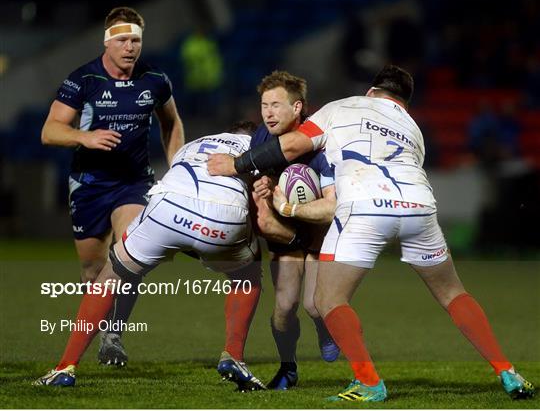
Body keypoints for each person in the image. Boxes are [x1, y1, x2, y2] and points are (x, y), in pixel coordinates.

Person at [207, 65, 536, 401]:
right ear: (404, 102)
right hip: (419, 206)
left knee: (327, 299)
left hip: (364, 205)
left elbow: (290, 146)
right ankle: (508, 372)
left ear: (371, 91)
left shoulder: (341, 107)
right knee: (453, 293)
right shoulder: (412, 127)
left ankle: (369, 382)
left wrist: (235, 165)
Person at [34, 122, 266, 392]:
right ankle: (233, 356)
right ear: (254, 135)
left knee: (110, 276)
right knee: (247, 275)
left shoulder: (196, 142)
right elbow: (258, 211)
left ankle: (66, 367)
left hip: (169, 207)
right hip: (221, 220)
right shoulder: (259, 150)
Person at [40, 6, 184, 366]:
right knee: (92, 269)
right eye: (122, 39)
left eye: (135, 39)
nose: (130, 47)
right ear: (108, 41)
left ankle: (114, 334)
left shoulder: (155, 79)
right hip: (89, 185)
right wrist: (83, 138)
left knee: (128, 253)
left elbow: (172, 123)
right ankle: (100, 328)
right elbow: (49, 130)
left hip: (133, 184)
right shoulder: (84, 80)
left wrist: (178, 167)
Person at [249, 71, 339, 390]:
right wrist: (264, 184)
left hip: (318, 233)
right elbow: (261, 180)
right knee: (284, 310)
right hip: (287, 234)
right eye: (264, 105)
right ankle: (288, 368)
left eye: (276, 105)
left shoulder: (321, 143)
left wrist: (294, 207)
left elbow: (332, 206)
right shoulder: (261, 138)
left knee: (315, 305)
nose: (268, 113)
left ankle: (325, 328)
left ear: (297, 107)